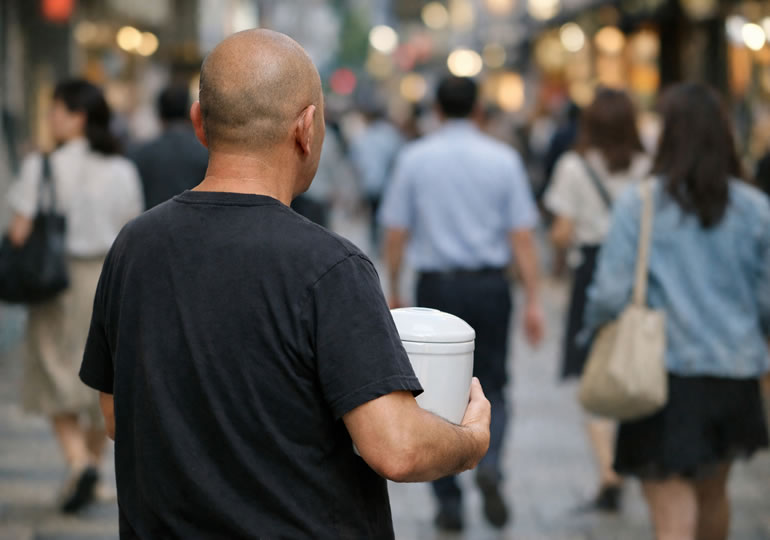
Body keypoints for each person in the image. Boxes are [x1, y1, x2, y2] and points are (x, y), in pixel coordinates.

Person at [78, 30, 491, 539]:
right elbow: (398, 448)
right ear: (307, 128)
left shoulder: (132, 247)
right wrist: (469, 440)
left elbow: (117, 417)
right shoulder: (330, 268)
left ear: (199, 124)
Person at [585, 83, 770, 540]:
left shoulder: (641, 202)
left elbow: (610, 291)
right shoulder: (754, 208)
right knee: (714, 496)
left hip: (663, 375)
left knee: (671, 511)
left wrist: (590, 328)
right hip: (735, 372)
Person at [379, 76, 544, 532]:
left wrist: (394, 286)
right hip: (491, 287)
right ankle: (490, 463)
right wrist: (533, 298)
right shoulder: (503, 159)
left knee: (433, 389)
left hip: (438, 289)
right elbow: (522, 237)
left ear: (435, 108)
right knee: (495, 380)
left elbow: (396, 230)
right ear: (479, 109)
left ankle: (447, 498)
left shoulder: (415, 158)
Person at [6, 79, 143, 513]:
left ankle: (78, 461)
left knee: (51, 369)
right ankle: (93, 467)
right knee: (101, 376)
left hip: (56, 281)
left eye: (56, 110)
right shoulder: (122, 169)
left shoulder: (40, 166)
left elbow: (20, 232)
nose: (50, 118)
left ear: (78, 116)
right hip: (108, 277)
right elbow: (134, 229)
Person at [544, 88, 650, 512]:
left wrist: (557, 253)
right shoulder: (646, 167)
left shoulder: (573, 166)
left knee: (592, 374)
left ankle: (609, 471)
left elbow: (562, 232)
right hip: (637, 274)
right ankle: (624, 464)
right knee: (633, 362)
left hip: (591, 271)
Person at [128, 84, 208, 209]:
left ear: (159, 113)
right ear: (191, 112)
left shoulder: (139, 154)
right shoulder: (206, 154)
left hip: (150, 225)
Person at [348, 103, 404, 248]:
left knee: (373, 215)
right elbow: (397, 158)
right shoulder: (391, 134)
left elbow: (356, 162)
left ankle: (375, 242)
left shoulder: (364, 136)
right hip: (387, 183)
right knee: (387, 215)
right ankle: (382, 242)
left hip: (369, 183)